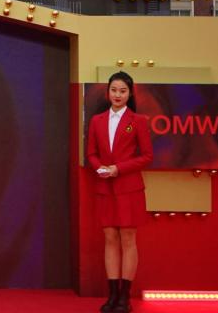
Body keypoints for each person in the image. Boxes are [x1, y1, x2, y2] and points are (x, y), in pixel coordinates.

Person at [86, 71, 153, 313]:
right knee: (110, 238)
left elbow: (147, 156)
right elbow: (91, 153)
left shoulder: (138, 121)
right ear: (108, 92)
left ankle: (125, 297)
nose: (117, 95)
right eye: (114, 90)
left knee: (128, 238)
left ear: (130, 93)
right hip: (105, 187)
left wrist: (118, 169)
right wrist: (100, 168)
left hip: (129, 187)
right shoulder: (97, 121)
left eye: (122, 91)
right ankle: (112, 295)